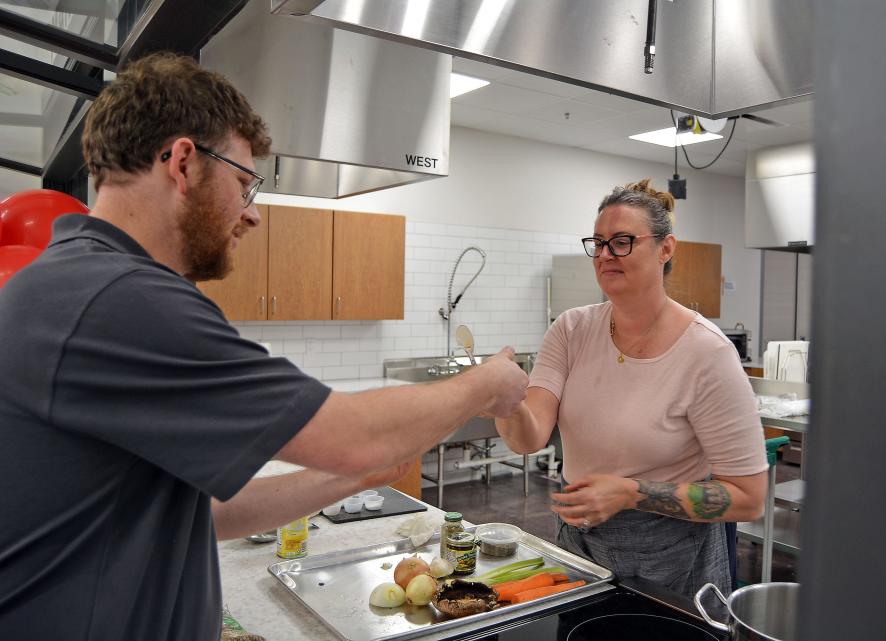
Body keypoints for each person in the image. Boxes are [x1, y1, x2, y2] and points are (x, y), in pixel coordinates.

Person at [0, 53, 528, 641]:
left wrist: (356, 479)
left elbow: (198, 513)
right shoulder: (122, 296)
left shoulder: (70, 281)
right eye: (244, 182)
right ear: (182, 162)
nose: (252, 214)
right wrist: (488, 381)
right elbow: (350, 435)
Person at [495, 179, 767, 597]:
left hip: (672, 560)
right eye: (598, 243)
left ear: (666, 248)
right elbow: (529, 438)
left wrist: (631, 493)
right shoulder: (571, 329)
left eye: (622, 242)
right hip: (579, 549)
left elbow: (748, 497)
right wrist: (507, 403)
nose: (605, 255)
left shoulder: (706, 353)